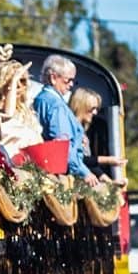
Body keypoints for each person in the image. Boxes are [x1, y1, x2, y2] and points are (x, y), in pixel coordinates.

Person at [33, 54, 98, 186]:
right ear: (53, 78)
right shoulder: (56, 105)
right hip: (61, 173)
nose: (71, 85)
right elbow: (63, 146)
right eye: (68, 80)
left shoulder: (40, 99)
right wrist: (84, 171)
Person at [0, 47, 42, 161]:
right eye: (12, 81)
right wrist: (13, 80)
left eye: (22, 80)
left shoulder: (28, 114)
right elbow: (8, 113)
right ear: (3, 83)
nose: (18, 85)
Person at [69, 87, 127, 182]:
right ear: (81, 106)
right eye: (92, 108)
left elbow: (89, 163)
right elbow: (77, 159)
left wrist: (110, 182)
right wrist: (108, 160)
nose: (95, 112)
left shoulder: (81, 130)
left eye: (96, 109)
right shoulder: (70, 128)